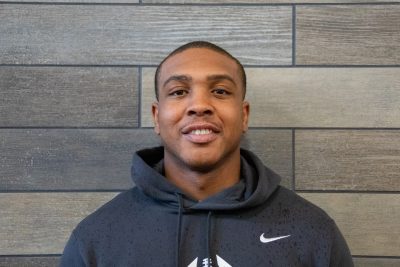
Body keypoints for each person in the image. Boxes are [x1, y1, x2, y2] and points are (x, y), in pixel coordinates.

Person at [60, 41, 353, 267]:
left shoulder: (313, 232)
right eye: (178, 92)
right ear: (156, 116)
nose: (199, 105)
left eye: (221, 91)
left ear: (244, 115)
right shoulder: (96, 240)